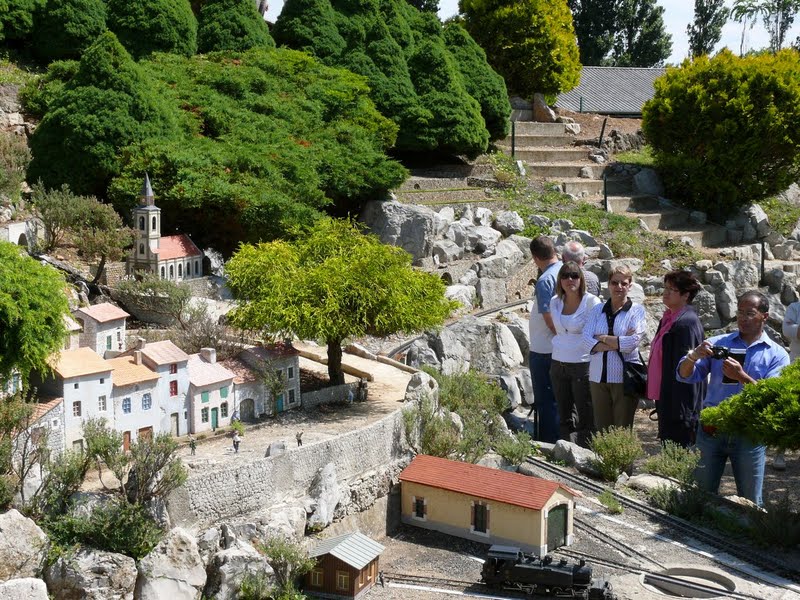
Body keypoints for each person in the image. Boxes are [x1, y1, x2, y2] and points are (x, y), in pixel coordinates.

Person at [678, 291, 790, 507]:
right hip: (712, 430)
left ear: (764, 317)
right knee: (700, 497)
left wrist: (742, 377)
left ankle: (745, 540)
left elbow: (772, 398)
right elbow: (683, 374)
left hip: (749, 434)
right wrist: (694, 356)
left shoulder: (777, 354)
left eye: (750, 313)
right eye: (739, 312)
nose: (743, 318)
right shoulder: (717, 343)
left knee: (750, 503)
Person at [582, 265, 646, 431]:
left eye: (624, 283)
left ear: (630, 286)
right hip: (598, 377)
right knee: (602, 427)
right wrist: (617, 341)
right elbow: (585, 339)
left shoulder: (636, 311)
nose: (619, 287)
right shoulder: (597, 310)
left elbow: (631, 343)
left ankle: (621, 458)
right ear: (608, 284)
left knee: (622, 428)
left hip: (624, 377)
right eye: (615, 282)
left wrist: (601, 338)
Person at [647, 271, 705, 447]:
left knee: (678, 452)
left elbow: (688, 370)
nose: (666, 293)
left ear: (686, 295)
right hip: (667, 398)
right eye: (665, 288)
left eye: (672, 289)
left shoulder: (685, 323)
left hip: (679, 404)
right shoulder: (669, 318)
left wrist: (684, 411)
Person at [549, 262, 602, 447]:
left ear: (581, 278)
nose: (569, 280)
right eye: (564, 276)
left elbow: (597, 334)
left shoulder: (591, 302)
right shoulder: (555, 301)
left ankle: (586, 455)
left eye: (574, 275)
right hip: (558, 363)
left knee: (586, 415)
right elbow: (558, 330)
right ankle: (567, 453)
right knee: (564, 415)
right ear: (559, 280)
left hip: (582, 364)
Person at [528, 235, 562, 443]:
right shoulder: (566, 271)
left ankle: (549, 443)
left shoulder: (545, 280)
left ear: (535, 257)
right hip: (558, 349)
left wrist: (562, 338)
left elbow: (549, 319)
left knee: (546, 400)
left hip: (544, 349)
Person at [775, 296, 800, 470]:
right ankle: (780, 452)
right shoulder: (795, 307)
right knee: (789, 406)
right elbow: (787, 329)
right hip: (796, 364)